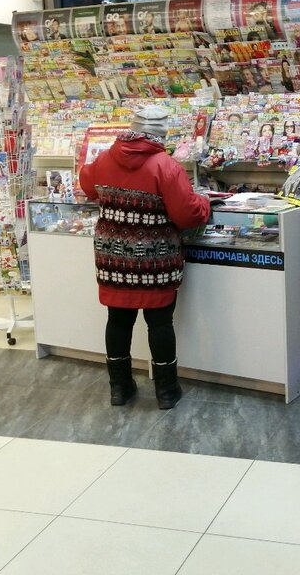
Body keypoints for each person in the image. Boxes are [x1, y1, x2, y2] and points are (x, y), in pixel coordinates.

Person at [78, 105, 211, 409]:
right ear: (160, 134)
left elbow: (87, 184)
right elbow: (187, 214)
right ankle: (167, 392)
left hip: (113, 259)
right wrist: (204, 202)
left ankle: (119, 388)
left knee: (117, 320)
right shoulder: (165, 166)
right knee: (160, 323)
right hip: (155, 261)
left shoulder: (106, 158)